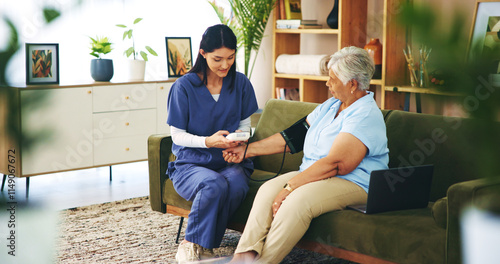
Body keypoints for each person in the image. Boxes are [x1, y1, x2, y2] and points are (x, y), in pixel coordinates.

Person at [223, 46, 389, 264]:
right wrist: (246, 151)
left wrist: (290, 187)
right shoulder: (331, 105)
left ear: (352, 84)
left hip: (353, 182)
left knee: (296, 201)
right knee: (266, 192)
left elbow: (337, 165)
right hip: (315, 174)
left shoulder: (365, 114)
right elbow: (293, 137)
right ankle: (242, 259)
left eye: (332, 78)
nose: (327, 83)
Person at [166, 24, 258, 262]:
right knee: (213, 184)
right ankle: (190, 244)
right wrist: (208, 141)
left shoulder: (240, 83)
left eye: (230, 58)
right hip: (191, 164)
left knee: (237, 183)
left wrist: (240, 139)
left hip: (229, 160)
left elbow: (246, 124)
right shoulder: (184, 87)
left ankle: (204, 247)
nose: (225, 65)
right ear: (202, 53)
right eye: (217, 59)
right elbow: (177, 135)